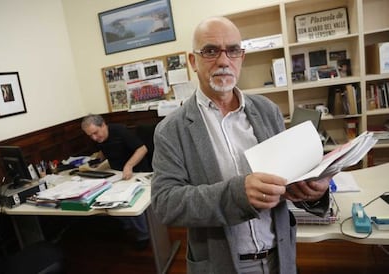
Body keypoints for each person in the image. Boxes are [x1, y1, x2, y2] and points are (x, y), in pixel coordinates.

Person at [151, 17, 331, 274]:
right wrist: (237, 195)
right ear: (193, 61)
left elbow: (288, 177)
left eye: (233, 50)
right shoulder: (171, 129)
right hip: (220, 264)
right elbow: (165, 203)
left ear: (241, 57)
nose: (224, 61)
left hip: (280, 257)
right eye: (211, 51)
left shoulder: (267, 110)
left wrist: (312, 190)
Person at [81, 114, 151, 250]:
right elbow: (106, 149)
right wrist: (97, 161)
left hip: (136, 172)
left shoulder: (120, 131)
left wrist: (129, 165)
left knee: (129, 201)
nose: (94, 138)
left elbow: (142, 149)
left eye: (95, 133)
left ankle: (144, 235)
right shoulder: (99, 138)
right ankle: (128, 224)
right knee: (106, 197)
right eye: (90, 136)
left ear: (103, 125)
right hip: (117, 174)